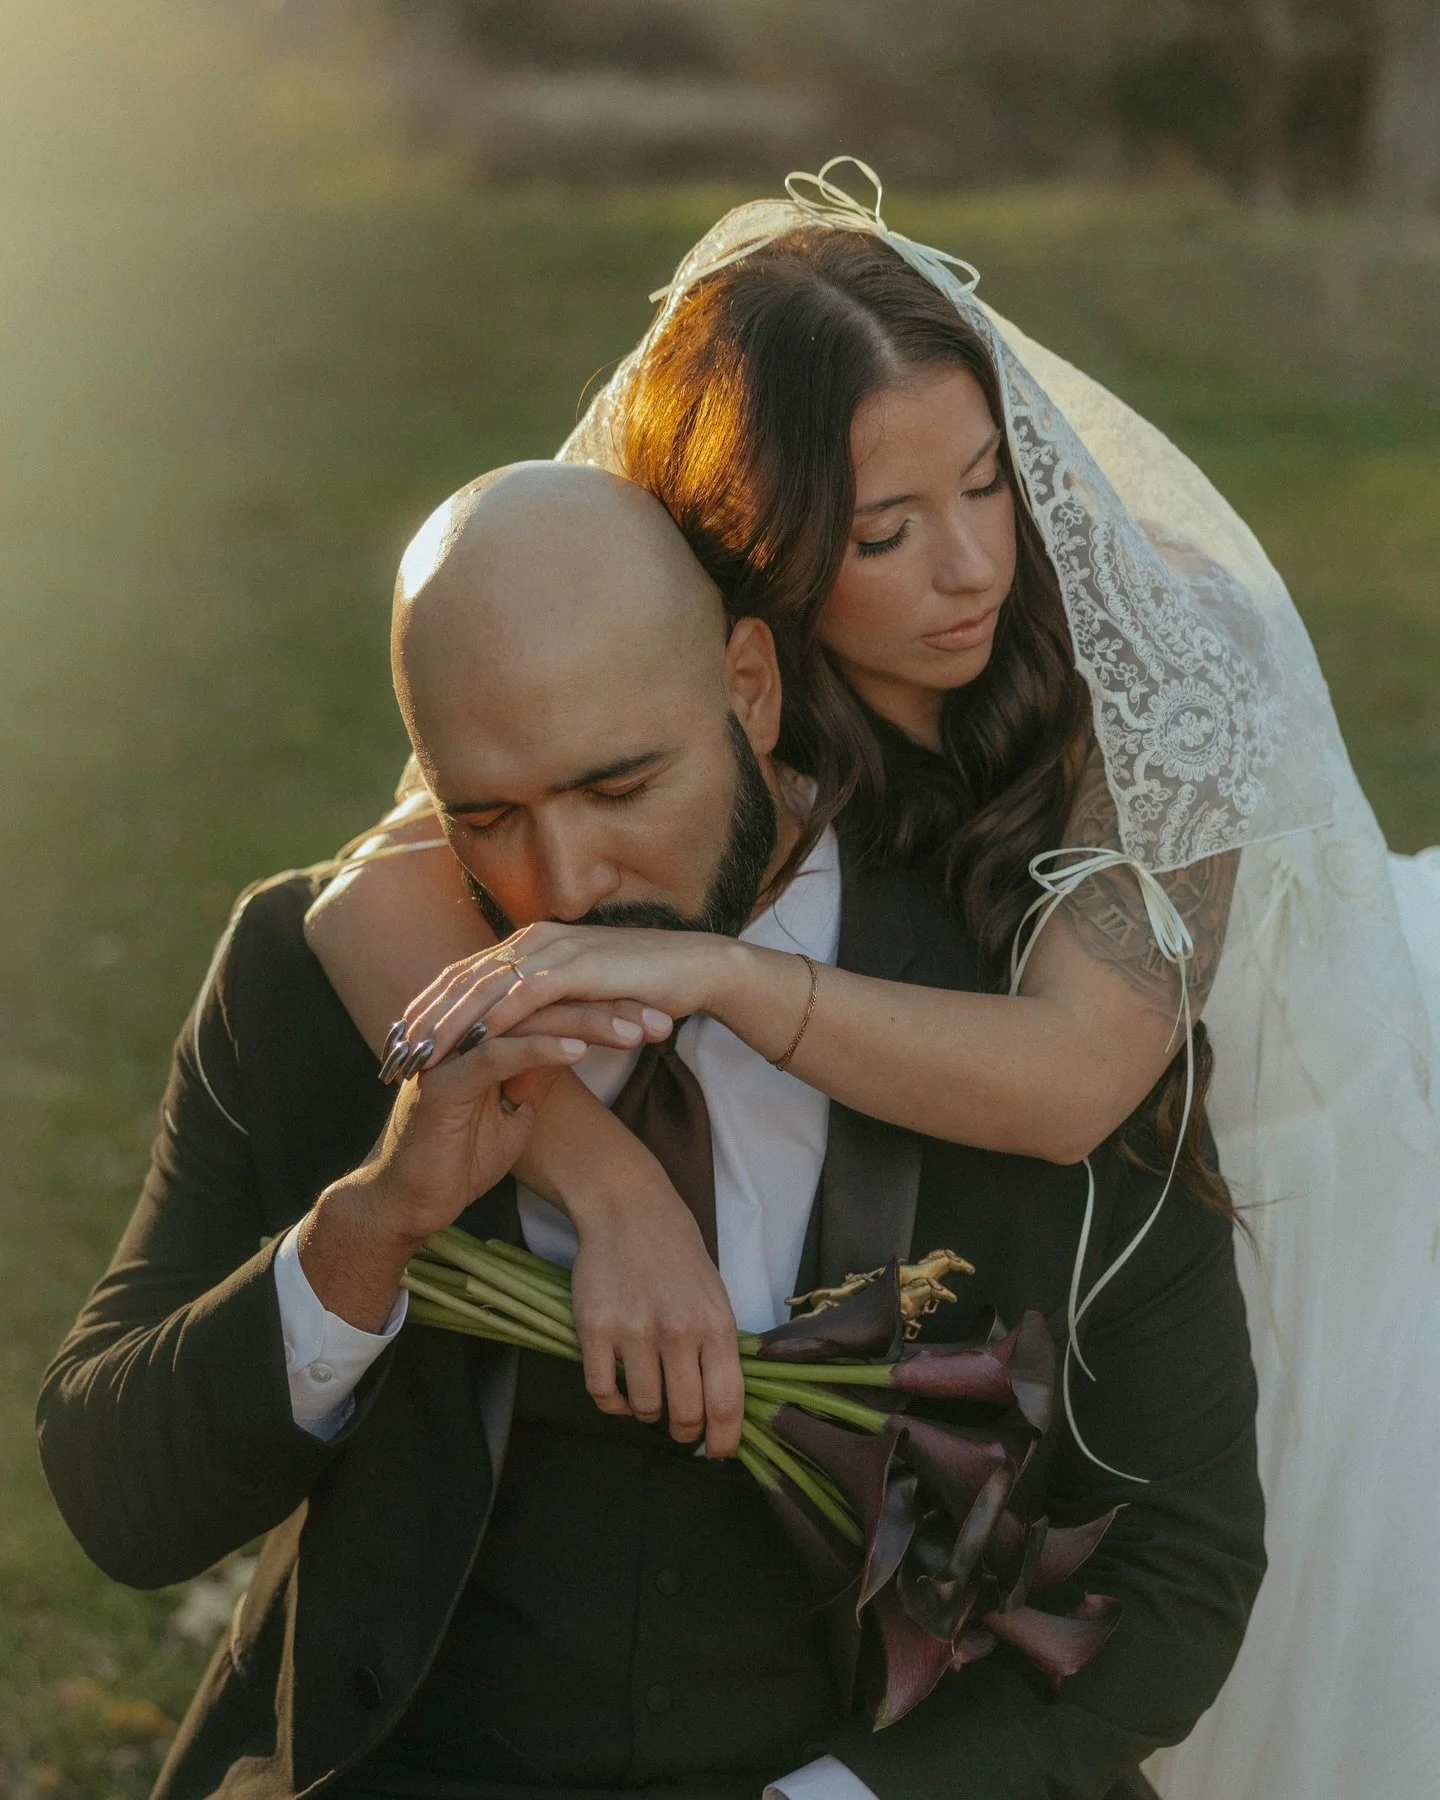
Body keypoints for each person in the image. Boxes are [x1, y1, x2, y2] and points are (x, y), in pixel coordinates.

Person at [307, 164, 1440, 1800]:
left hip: (1293, 1163)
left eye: (989, 484)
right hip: (981, 1224)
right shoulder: (716, 649)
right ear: (756, 563)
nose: (971, 567)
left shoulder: (1173, 653)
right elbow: (360, 906)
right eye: (889, 532)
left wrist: (722, 975)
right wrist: (608, 1184)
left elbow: (1073, 1081)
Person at [38, 462, 1264, 1800]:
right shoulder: (313, 977)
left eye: (620, 786)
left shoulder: (1021, 1016)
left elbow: (1179, 1566)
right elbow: (119, 1494)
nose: (561, 884)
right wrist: (370, 1230)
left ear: (751, 687)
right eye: (486, 816)